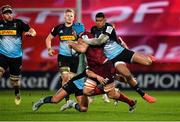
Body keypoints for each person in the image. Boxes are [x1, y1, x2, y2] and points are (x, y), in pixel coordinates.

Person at [83, 12, 156, 103]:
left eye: (100, 21)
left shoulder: (108, 27)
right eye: (97, 21)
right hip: (113, 59)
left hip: (121, 52)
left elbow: (100, 41)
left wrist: (85, 40)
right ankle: (143, 94)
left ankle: (146, 57)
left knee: (148, 62)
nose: (98, 23)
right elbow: (94, 44)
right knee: (127, 75)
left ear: (104, 20)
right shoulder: (94, 29)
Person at [45, 8, 84, 102]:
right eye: (67, 15)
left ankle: (63, 83)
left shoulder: (77, 28)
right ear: (64, 16)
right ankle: (67, 100)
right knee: (65, 76)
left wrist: (79, 42)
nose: (69, 17)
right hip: (63, 57)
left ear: (74, 17)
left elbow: (83, 41)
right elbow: (48, 39)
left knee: (70, 79)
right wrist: (49, 49)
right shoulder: (59, 28)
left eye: (71, 16)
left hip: (75, 58)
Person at [0, 5, 36, 105]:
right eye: (6, 13)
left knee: (14, 82)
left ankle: (17, 92)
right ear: (2, 15)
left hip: (16, 57)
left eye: (10, 13)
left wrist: (31, 34)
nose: (9, 15)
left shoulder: (19, 23)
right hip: (2, 55)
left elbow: (32, 30)